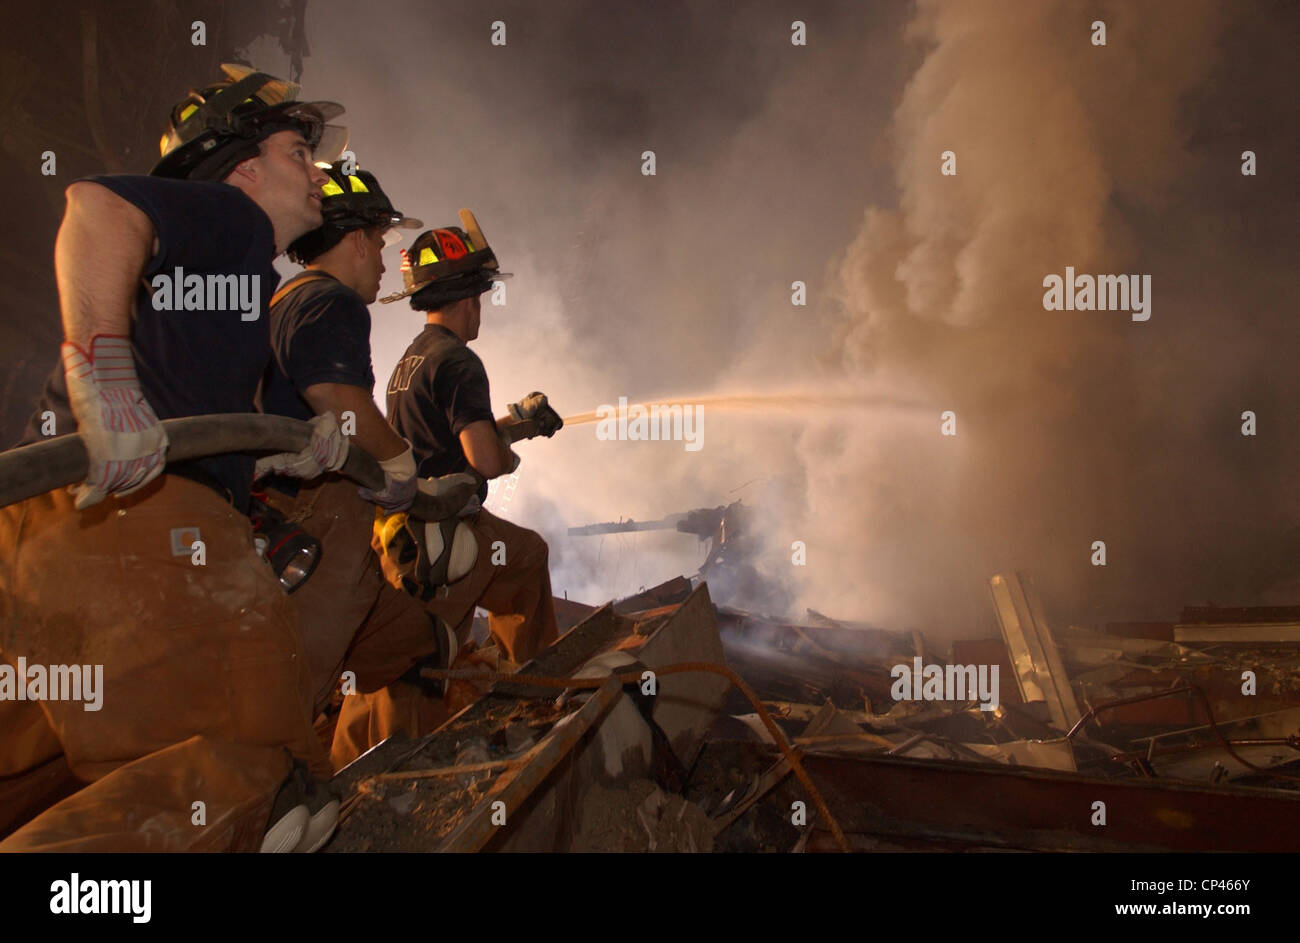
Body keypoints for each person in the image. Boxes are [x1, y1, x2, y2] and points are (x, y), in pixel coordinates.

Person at [0, 65, 350, 852]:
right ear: (244, 167)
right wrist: (103, 376)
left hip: (52, 527)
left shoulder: (236, 278)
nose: (319, 170)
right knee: (262, 772)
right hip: (130, 514)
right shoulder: (231, 216)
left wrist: (284, 451)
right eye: (300, 150)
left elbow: (191, 403)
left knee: (39, 777)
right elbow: (93, 207)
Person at [330, 216, 563, 765]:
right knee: (420, 653)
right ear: (470, 298)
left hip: (402, 532)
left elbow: (442, 436)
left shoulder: (411, 359)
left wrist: (519, 421)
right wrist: (507, 454)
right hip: (445, 535)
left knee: (517, 562)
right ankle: (527, 702)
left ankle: (346, 756)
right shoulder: (460, 360)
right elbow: (481, 457)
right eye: (482, 293)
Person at [259, 164, 468, 738]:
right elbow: (336, 397)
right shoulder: (333, 302)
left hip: (308, 519)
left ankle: (397, 760)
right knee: (304, 668)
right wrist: (400, 463)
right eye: (378, 243)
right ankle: (277, 781)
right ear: (355, 240)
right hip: (320, 520)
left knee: (417, 642)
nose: (381, 261)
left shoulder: (286, 298)